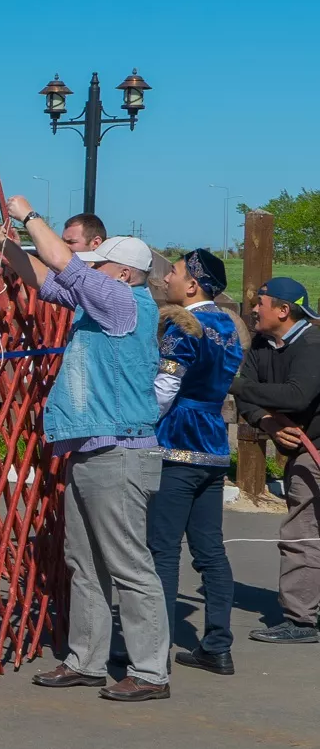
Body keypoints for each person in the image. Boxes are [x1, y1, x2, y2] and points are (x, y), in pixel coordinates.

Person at [0, 197, 170, 701]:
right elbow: (44, 278)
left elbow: (63, 263)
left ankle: (151, 672)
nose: (90, 272)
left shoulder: (125, 305)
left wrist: (27, 217)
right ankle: (86, 660)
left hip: (121, 449)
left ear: (123, 273)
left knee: (128, 564)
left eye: (99, 266)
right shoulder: (100, 305)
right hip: (93, 445)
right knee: (83, 562)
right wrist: (1, 239)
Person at [144, 249, 244, 673]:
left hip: (179, 439)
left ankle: (153, 649)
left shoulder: (185, 325)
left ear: (193, 285)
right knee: (210, 550)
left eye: (175, 272)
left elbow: (165, 388)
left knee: (163, 549)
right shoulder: (228, 325)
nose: (166, 278)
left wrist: (138, 421)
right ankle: (217, 645)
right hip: (214, 443)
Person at [231, 278, 320, 644]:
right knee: (305, 531)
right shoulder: (261, 345)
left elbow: (297, 396)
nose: (254, 309)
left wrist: (232, 383)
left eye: (261, 303)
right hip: (304, 453)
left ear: (284, 310)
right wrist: (266, 421)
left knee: (301, 534)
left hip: (313, 452)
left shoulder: (313, 344)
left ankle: (301, 621)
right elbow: (249, 402)